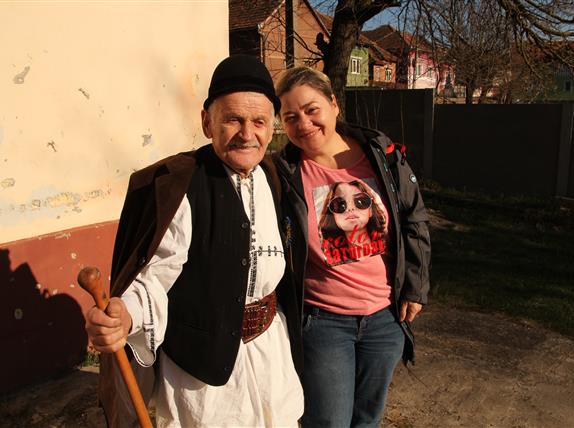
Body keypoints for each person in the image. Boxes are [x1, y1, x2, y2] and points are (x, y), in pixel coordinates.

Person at [85, 55, 304, 427]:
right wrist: (125, 315)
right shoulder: (182, 187)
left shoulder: (274, 176)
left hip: (271, 352)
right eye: (233, 119)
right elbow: (155, 278)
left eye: (259, 122)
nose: (247, 134)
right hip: (203, 371)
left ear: (272, 127)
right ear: (207, 122)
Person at [272, 66, 431, 427]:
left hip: (386, 318)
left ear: (334, 104)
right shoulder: (283, 172)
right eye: (290, 117)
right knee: (328, 422)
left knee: (367, 419)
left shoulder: (381, 154)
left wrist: (415, 288)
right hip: (323, 323)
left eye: (312, 110)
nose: (304, 124)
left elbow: (414, 219)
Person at [318, 180, 388, 266]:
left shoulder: (389, 243)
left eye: (360, 201)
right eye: (340, 204)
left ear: (370, 211)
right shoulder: (326, 256)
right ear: (332, 215)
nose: (350, 208)